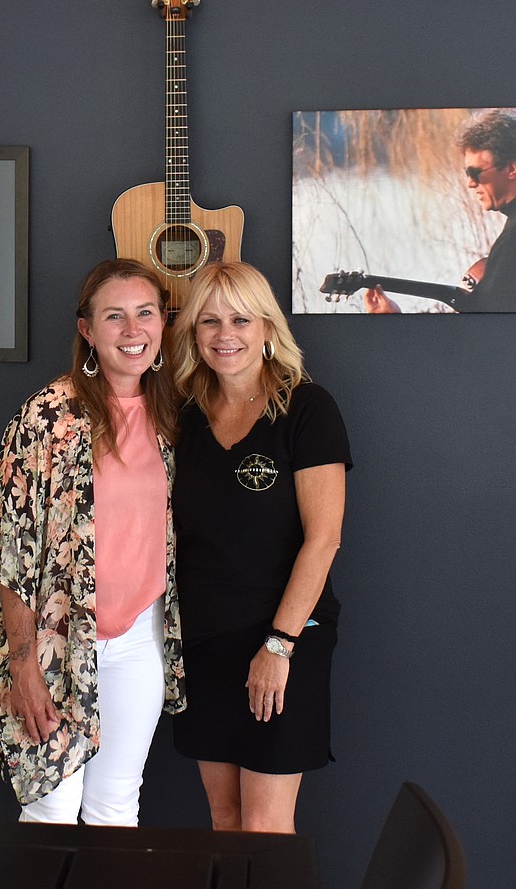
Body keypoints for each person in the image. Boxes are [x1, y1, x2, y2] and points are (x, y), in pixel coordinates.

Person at [0, 258, 187, 824]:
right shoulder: (48, 417)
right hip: (56, 641)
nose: (132, 330)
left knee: (115, 807)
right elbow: (9, 554)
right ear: (87, 331)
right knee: (53, 808)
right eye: (114, 316)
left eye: (145, 314)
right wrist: (24, 668)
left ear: (164, 324)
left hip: (139, 639)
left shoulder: (172, 417)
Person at [169, 261, 351, 834]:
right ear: (193, 334)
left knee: (266, 829)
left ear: (268, 328)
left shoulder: (308, 408)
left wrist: (279, 646)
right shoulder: (184, 416)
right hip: (203, 641)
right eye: (209, 322)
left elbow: (324, 540)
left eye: (241, 320)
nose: (226, 335)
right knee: (224, 819)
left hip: (283, 638)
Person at [366, 107, 516, 313]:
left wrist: (395, 321)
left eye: (475, 172)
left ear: (512, 169)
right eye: (466, 173)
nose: (470, 183)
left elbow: (483, 334)